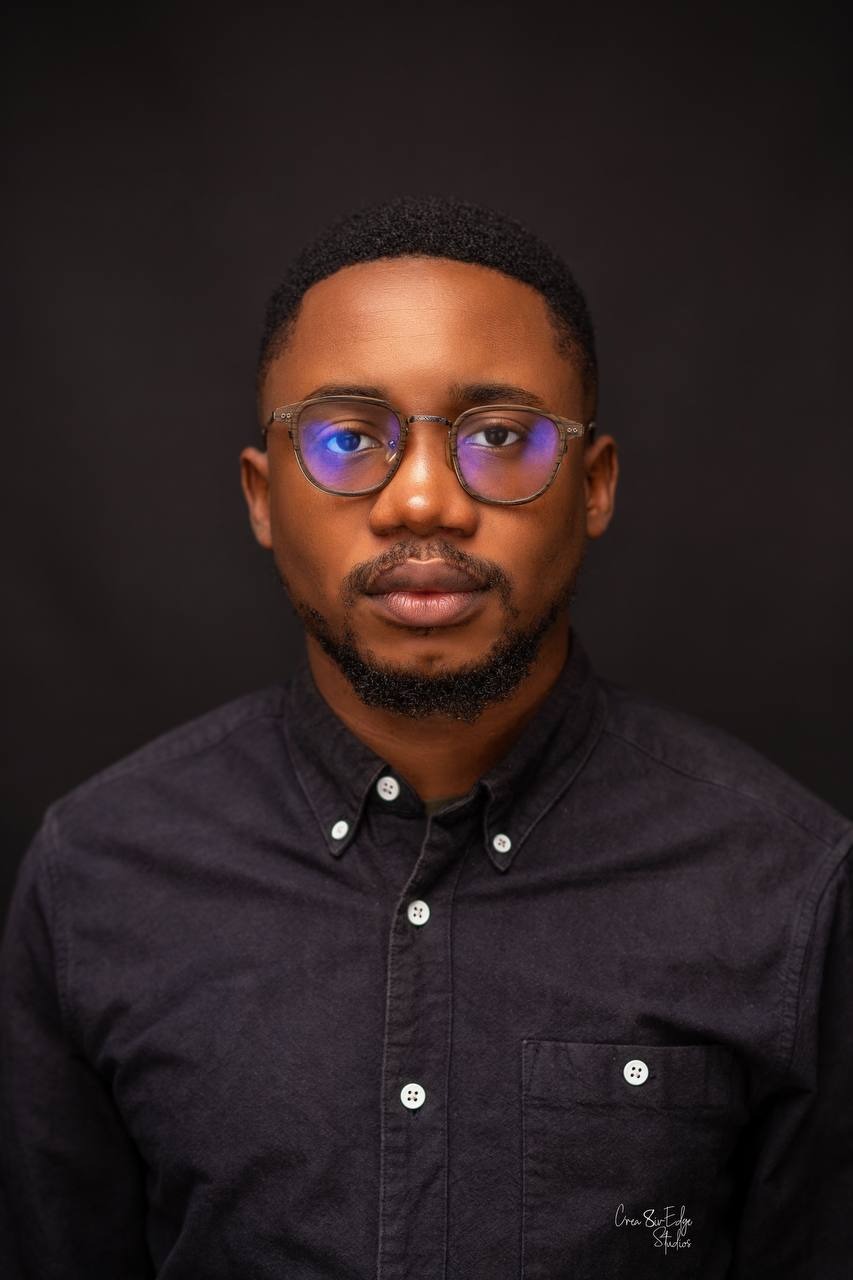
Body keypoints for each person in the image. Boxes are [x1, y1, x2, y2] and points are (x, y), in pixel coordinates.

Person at [1, 195, 850, 1280]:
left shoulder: (785, 884)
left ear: (593, 487)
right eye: (348, 437)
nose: (420, 502)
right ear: (262, 496)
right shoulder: (98, 874)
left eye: (497, 436)